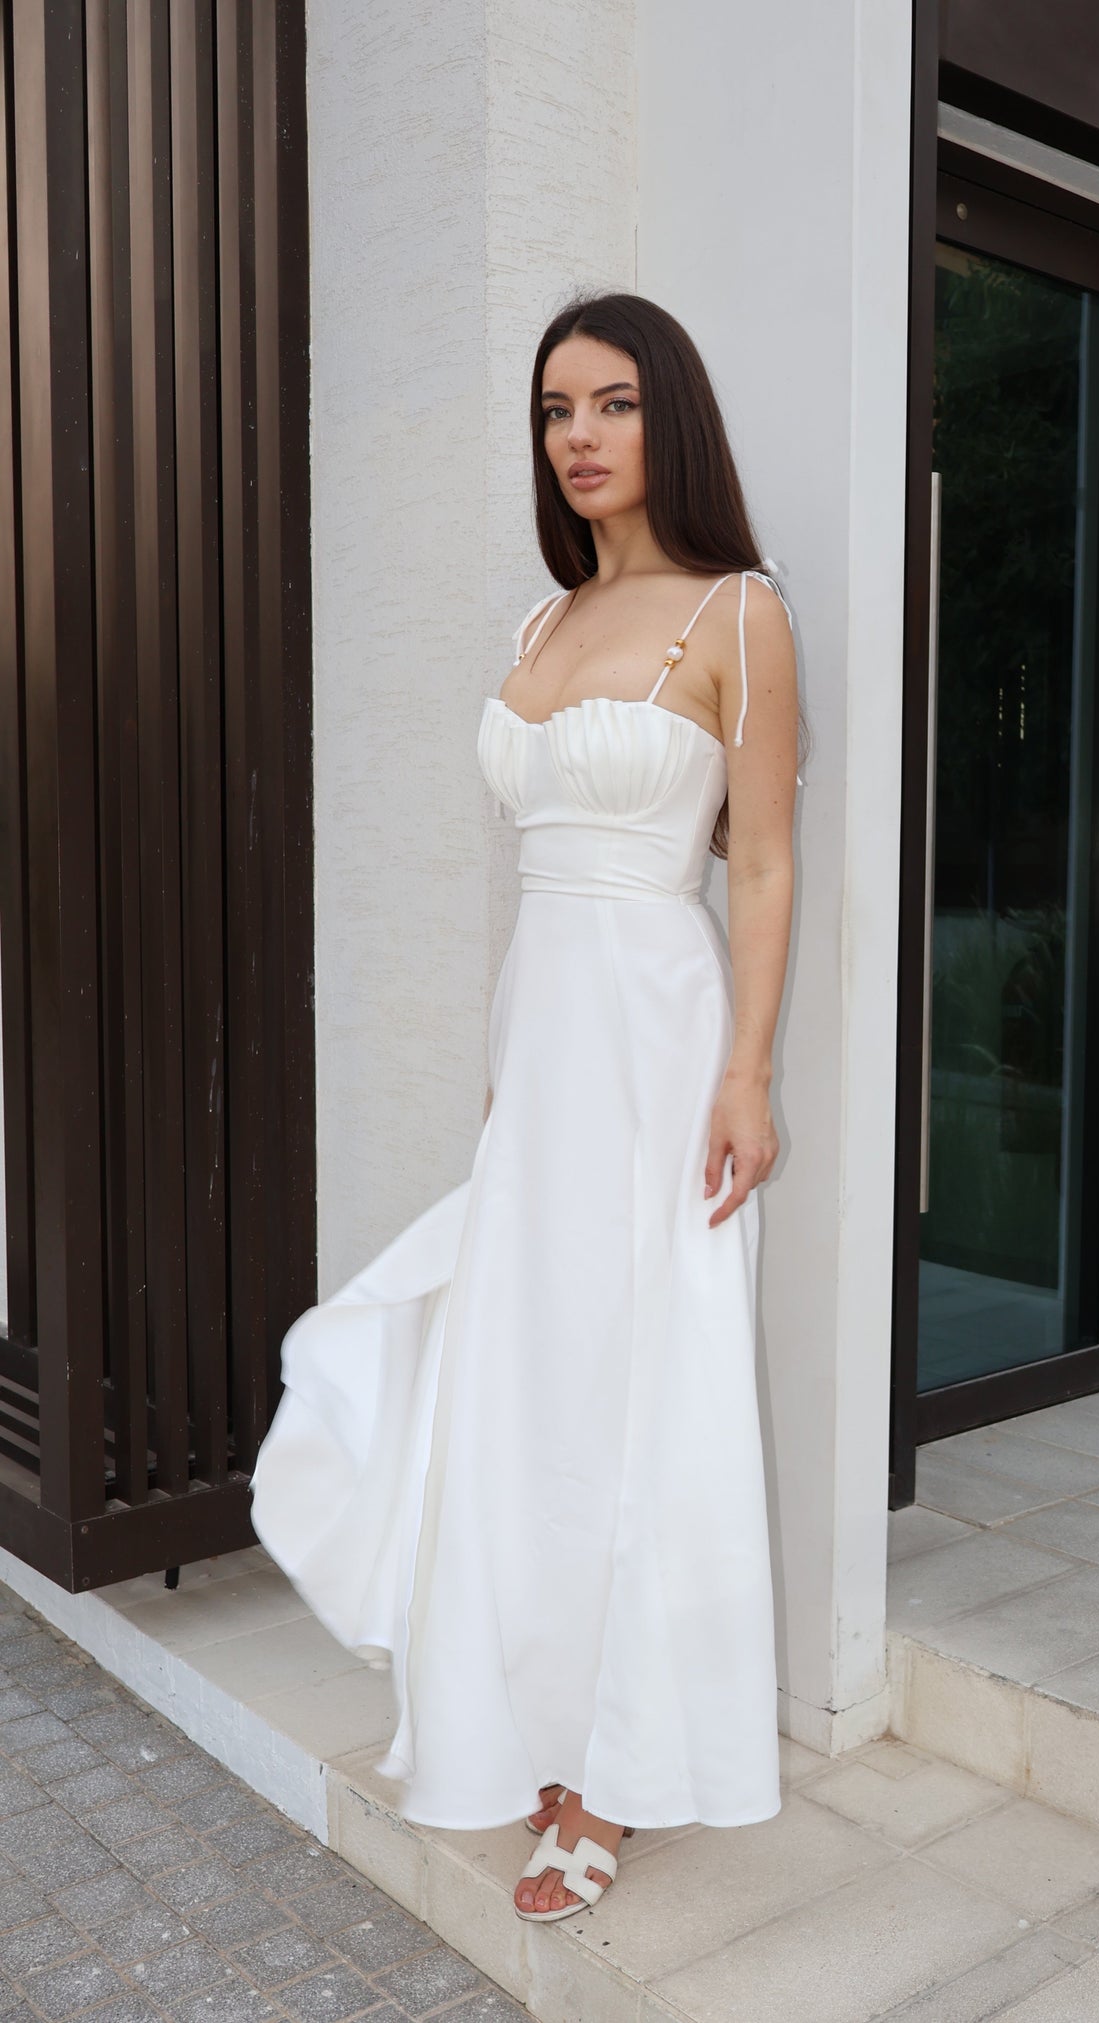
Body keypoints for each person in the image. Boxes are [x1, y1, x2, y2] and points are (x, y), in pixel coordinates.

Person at [248, 289, 802, 1925]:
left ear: (669, 420)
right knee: (531, 1394)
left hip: (660, 1037)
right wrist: (503, 1067)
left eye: (614, 403)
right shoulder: (535, 631)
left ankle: (613, 1776)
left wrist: (748, 1075)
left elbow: (759, 861)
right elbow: (528, 876)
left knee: (646, 1390)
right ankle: (522, 1718)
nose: (579, 436)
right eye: (557, 408)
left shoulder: (739, 615)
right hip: (549, 1051)